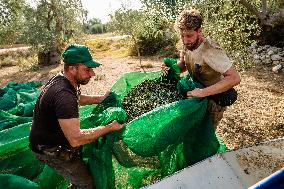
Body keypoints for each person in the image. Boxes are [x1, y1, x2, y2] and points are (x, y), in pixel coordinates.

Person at [29, 44, 124, 189]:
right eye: (87, 69)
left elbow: (77, 97)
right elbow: (76, 139)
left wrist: (99, 99)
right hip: (50, 150)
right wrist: (109, 128)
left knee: (79, 175)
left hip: (51, 139)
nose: (92, 74)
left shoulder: (63, 79)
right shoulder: (63, 95)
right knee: (87, 184)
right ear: (72, 69)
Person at [164, 8, 241, 127]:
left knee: (203, 134)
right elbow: (183, 65)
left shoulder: (210, 50)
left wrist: (202, 92)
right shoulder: (186, 44)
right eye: (182, 35)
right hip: (197, 95)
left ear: (199, 31)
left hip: (214, 100)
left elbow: (234, 78)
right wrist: (173, 69)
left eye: (189, 35)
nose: (185, 40)